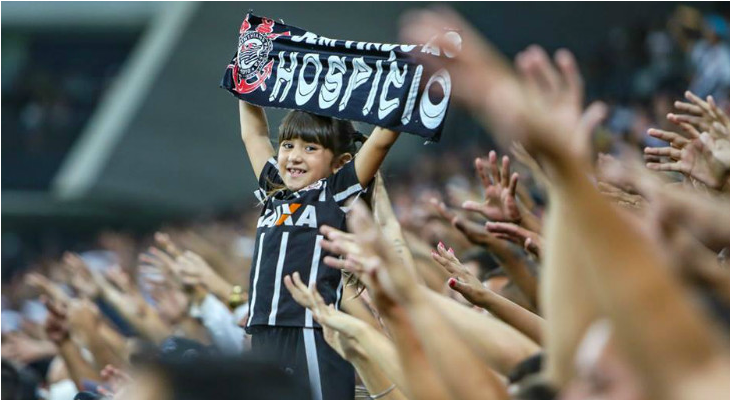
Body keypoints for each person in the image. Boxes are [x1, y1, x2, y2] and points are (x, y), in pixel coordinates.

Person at [236, 100, 400, 400]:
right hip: (263, 328)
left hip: (312, 327)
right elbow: (255, 135)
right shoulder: (275, 189)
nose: (294, 156)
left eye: (310, 148)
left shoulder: (335, 191)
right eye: (288, 145)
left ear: (340, 162)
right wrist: (246, 83)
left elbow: (381, 141)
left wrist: (407, 91)